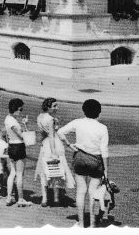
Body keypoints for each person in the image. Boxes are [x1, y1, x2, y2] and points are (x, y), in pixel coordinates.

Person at [58, 98, 109, 228]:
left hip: (80, 157)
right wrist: (106, 170)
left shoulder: (78, 123)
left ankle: (80, 223)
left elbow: (60, 132)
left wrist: (69, 145)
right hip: (95, 160)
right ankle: (92, 224)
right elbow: (104, 151)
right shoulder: (103, 128)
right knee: (92, 192)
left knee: (81, 191)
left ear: (84, 111)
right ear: (99, 112)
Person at [35, 97, 73, 207]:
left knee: (44, 171)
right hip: (54, 145)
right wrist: (53, 152)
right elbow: (52, 136)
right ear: (48, 107)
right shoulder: (50, 119)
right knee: (57, 170)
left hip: (44, 145)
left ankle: (45, 198)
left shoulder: (40, 117)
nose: (57, 108)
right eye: (55, 106)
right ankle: (56, 197)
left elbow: (42, 133)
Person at [4, 98, 31, 206]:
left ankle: (9, 197)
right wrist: (25, 125)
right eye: (21, 109)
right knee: (19, 174)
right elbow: (22, 135)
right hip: (19, 146)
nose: (21, 111)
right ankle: (20, 199)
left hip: (11, 146)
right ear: (16, 109)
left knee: (12, 173)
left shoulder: (7, 118)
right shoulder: (13, 122)